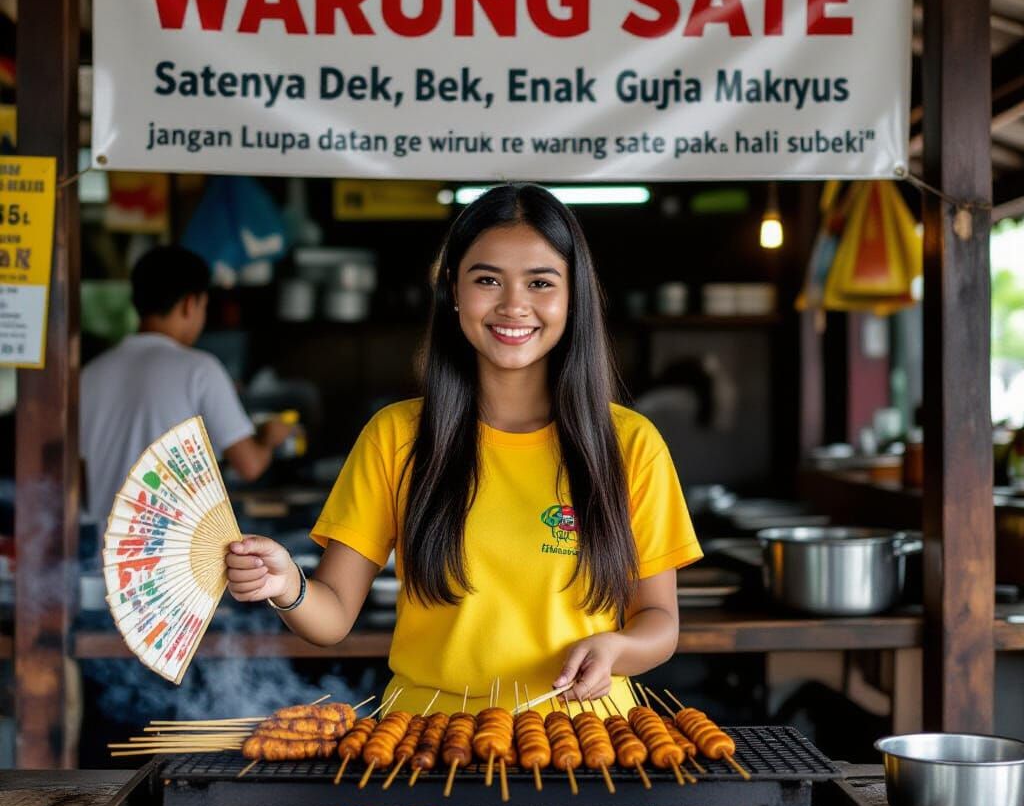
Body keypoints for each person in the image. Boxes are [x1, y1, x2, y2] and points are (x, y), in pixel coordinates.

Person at [225, 185, 702, 714]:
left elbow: (659, 621)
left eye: (541, 282)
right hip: (426, 749)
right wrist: (286, 582)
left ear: (573, 296)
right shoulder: (396, 437)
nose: (513, 304)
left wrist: (618, 648)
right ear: (453, 289)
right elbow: (332, 617)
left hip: (583, 747)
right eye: (488, 280)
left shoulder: (630, 444)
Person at [80, 245, 292, 527]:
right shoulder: (200, 370)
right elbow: (249, 465)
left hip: (102, 555)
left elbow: (79, 481)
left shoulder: (90, 375)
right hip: (174, 558)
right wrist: (268, 438)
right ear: (190, 304)